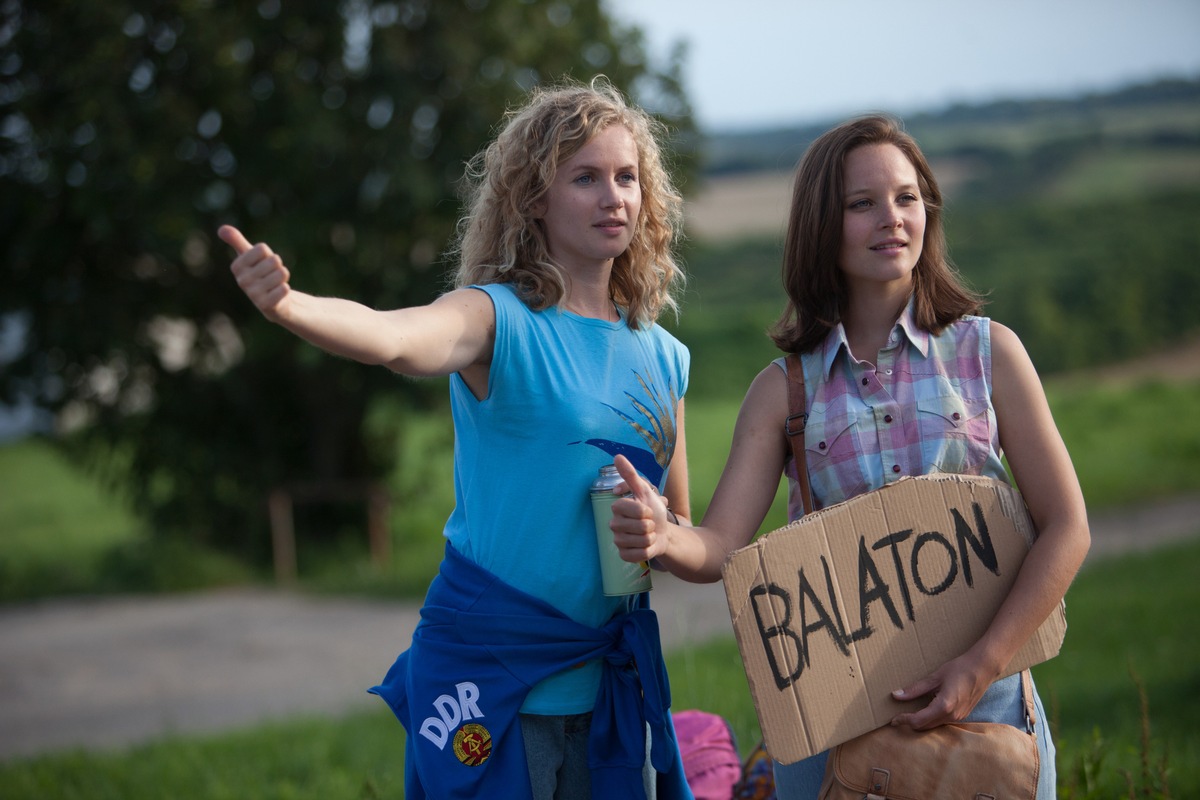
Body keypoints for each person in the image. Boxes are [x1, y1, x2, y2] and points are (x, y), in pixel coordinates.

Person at [219, 78, 695, 800]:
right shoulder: (496, 318)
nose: (614, 197)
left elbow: (684, 531)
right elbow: (395, 338)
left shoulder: (664, 355)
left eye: (627, 177)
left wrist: (661, 534)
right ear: (534, 198)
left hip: (609, 695)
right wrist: (291, 306)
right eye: (586, 178)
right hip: (494, 686)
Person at [610, 114, 1091, 799]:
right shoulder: (783, 391)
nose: (890, 218)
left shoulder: (991, 353)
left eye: (906, 197)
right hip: (836, 734)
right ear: (821, 228)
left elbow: (1068, 527)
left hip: (986, 713)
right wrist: (664, 537)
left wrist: (980, 667)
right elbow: (720, 546)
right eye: (861, 204)